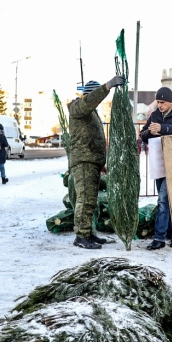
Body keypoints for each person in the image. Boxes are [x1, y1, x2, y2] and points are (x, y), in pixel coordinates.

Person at [67, 76, 125, 249]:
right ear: (88, 95)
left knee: (90, 200)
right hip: (84, 161)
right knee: (84, 199)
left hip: (92, 161)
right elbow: (88, 102)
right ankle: (81, 236)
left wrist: (101, 162)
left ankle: (89, 233)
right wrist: (107, 87)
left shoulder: (91, 113)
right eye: (94, 96)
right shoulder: (77, 107)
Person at [140, 87, 172, 250]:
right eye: (158, 102)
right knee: (169, 200)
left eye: (162, 102)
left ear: (170, 102)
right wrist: (150, 131)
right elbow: (143, 135)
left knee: (163, 199)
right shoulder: (155, 115)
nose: (160, 105)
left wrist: (163, 129)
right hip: (159, 162)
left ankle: (159, 237)